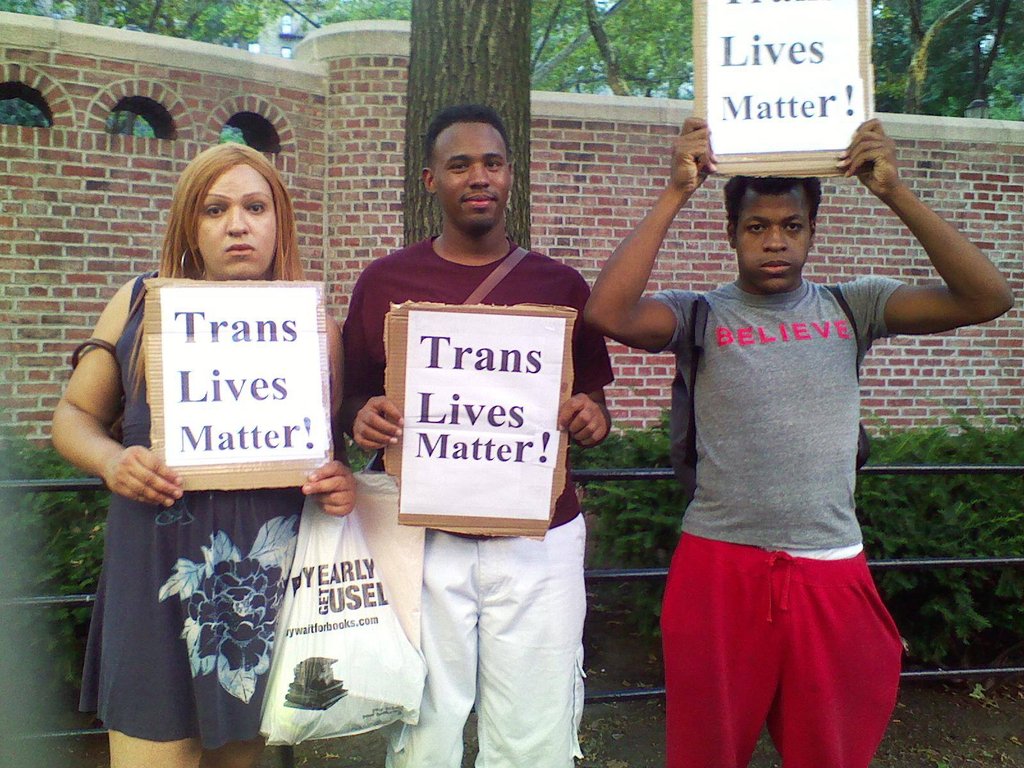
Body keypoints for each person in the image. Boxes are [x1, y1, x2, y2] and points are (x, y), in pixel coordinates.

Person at [584, 117, 1013, 768]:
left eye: (792, 226)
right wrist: (676, 192)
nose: (775, 242)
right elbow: (609, 312)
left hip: (829, 566)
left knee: (829, 752)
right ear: (732, 235)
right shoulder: (700, 313)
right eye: (757, 227)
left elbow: (988, 297)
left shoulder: (853, 307)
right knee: (705, 752)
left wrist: (893, 192)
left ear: (813, 232)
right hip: (719, 566)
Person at [51, 143, 356, 768]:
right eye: (214, 209)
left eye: (254, 206)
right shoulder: (138, 302)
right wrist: (112, 462)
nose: (237, 224)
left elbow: (326, 452)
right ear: (190, 224)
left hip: (261, 588)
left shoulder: (314, 327)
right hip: (153, 578)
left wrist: (337, 483)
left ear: (279, 222)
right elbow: (73, 417)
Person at [341, 103, 614, 768]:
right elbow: (350, 391)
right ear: (430, 180)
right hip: (424, 536)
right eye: (459, 164)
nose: (478, 176)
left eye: (491, 162)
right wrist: (362, 416)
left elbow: (594, 401)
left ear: (510, 176)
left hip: (538, 537)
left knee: (534, 729)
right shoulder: (384, 282)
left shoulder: (561, 286)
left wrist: (590, 418)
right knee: (425, 724)